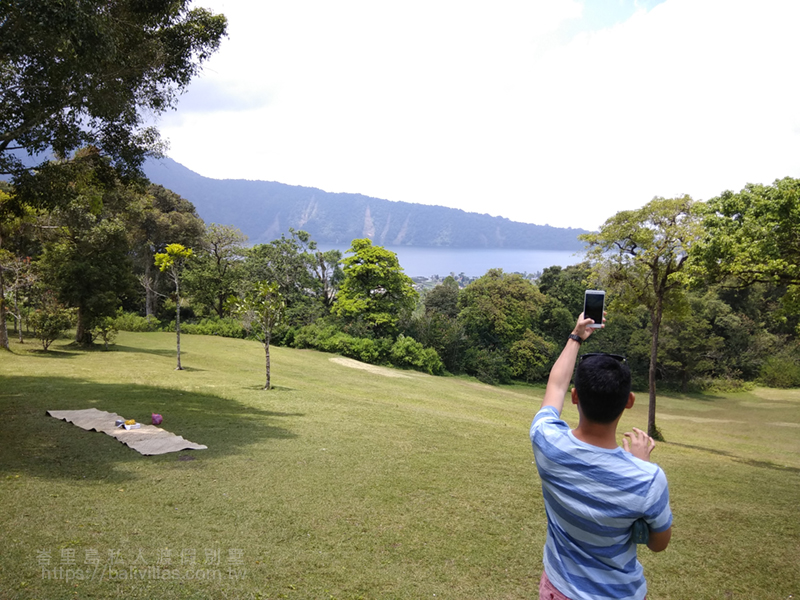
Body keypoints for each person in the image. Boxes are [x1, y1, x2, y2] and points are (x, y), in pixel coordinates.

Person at [530, 313, 673, 600]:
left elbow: (555, 387)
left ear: (575, 397)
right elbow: (658, 543)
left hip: (561, 591)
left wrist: (576, 337)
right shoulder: (648, 479)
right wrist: (640, 464)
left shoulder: (547, 442)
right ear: (629, 401)